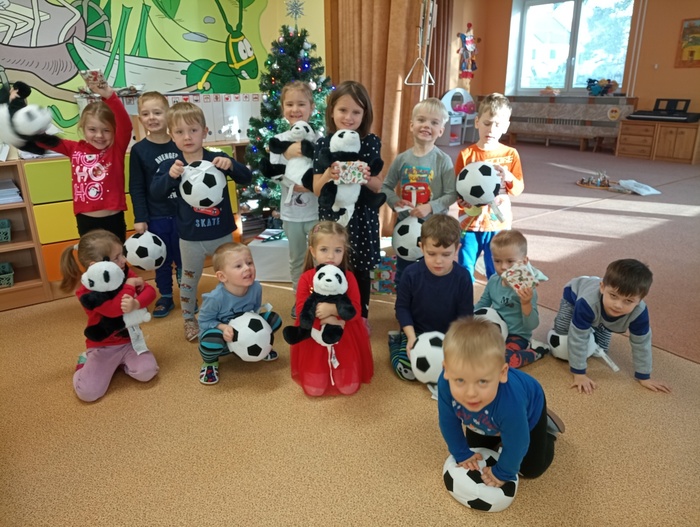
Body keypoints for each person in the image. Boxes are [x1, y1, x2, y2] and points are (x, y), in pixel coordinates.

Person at [150, 102, 252, 341]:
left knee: (233, 275)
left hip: (222, 234)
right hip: (190, 237)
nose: (187, 137)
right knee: (189, 279)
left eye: (193, 130)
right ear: (171, 135)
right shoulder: (171, 165)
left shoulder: (218, 158)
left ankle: (234, 313)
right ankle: (189, 319)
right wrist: (169, 177)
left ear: (205, 132)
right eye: (180, 132)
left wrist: (232, 165)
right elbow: (155, 193)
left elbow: (246, 177)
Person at [438, 318, 563, 489]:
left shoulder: (510, 403)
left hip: (529, 406)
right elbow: (448, 421)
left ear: (502, 373)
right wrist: (461, 453)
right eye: (460, 380)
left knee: (531, 468)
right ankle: (503, 424)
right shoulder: (445, 384)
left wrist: (503, 472)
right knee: (476, 449)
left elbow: (518, 442)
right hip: (488, 417)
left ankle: (546, 431)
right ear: (446, 370)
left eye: (482, 381)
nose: (470, 393)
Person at [312, 80, 384, 328]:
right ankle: (330, 313)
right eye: (343, 110)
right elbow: (316, 189)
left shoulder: (371, 142)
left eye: (356, 112)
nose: (349, 117)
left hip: (362, 217)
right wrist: (328, 174)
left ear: (365, 115)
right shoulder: (324, 144)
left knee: (360, 271)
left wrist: (366, 178)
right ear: (332, 111)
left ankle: (361, 317)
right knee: (331, 265)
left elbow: (378, 185)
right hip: (333, 220)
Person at [59, 229, 159, 402]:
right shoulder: (87, 292)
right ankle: (84, 363)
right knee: (88, 393)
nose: (124, 260)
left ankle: (121, 364)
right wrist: (130, 286)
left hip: (130, 342)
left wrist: (136, 303)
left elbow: (150, 292)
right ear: (95, 266)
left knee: (148, 372)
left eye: (122, 254)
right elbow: (114, 310)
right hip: (103, 347)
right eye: (117, 257)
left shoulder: (124, 272)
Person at [552, 259, 671, 395]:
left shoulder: (640, 313)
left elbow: (642, 343)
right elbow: (578, 337)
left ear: (640, 300)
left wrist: (644, 376)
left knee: (602, 347)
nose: (618, 305)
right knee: (562, 330)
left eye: (628, 301)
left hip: (599, 309)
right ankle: (588, 318)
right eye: (613, 296)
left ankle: (595, 323)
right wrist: (579, 374)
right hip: (574, 294)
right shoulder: (586, 303)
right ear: (602, 287)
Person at [39, 77, 132, 242]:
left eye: (106, 130)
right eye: (92, 129)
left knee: (117, 257)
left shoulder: (115, 149)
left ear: (114, 131)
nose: (99, 135)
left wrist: (109, 96)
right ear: (83, 128)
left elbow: (126, 125)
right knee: (92, 258)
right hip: (86, 221)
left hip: (113, 220)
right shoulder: (74, 148)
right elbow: (42, 140)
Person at [289, 221, 373, 396]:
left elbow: (356, 310)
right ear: (313, 251)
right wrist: (325, 318)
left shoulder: (349, 277)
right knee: (315, 390)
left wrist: (334, 310)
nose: (331, 256)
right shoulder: (306, 278)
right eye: (324, 249)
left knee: (349, 387)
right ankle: (320, 373)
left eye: (338, 250)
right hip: (314, 336)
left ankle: (341, 372)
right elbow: (301, 310)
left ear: (344, 251)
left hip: (345, 335)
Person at [381, 97, 457, 288]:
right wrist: (395, 201)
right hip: (405, 226)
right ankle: (403, 302)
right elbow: (386, 187)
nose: (426, 126)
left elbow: (452, 194)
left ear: (441, 131)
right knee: (404, 272)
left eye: (434, 122)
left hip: (434, 227)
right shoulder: (402, 159)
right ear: (411, 125)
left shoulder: (443, 160)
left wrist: (430, 207)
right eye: (421, 120)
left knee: (432, 272)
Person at [391, 215, 473, 381]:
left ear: (457, 249)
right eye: (432, 253)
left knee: (464, 368)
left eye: (446, 254)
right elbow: (402, 308)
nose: (438, 261)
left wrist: (455, 340)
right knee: (407, 371)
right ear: (421, 248)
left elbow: (465, 314)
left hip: (450, 335)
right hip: (417, 332)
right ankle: (394, 343)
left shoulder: (463, 277)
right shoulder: (410, 274)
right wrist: (411, 337)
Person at [454, 93, 524, 281]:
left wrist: (509, 176)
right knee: (465, 267)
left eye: (498, 125)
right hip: (470, 223)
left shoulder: (510, 154)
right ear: (477, 122)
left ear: (506, 126)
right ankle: (465, 297)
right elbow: (457, 191)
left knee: (496, 269)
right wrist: (462, 201)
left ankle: (496, 298)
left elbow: (518, 189)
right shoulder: (466, 155)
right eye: (487, 123)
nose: (491, 129)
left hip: (498, 224)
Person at [267, 81, 319, 318]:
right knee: (297, 259)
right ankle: (301, 300)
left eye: (301, 104)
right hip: (291, 214)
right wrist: (291, 179)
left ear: (311, 107)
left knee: (321, 258)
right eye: (289, 104)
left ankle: (322, 298)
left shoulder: (319, 138)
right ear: (282, 108)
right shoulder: (278, 140)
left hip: (316, 212)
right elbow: (274, 172)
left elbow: (325, 168)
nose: (295, 109)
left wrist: (312, 184)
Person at [128, 91, 182, 318]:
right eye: (145, 114)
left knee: (183, 258)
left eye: (157, 112)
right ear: (140, 118)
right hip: (156, 216)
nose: (152, 118)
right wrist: (140, 217)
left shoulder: (180, 143)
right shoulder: (139, 150)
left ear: (168, 114)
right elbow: (136, 187)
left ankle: (188, 295)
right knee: (162, 259)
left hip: (182, 214)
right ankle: (166, 296)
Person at [197, 242, 281, 385]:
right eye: (238, 266)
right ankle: (210, 363)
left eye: (249, 263)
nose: (247, 268)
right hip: (225, 340)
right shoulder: (215, 298)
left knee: (274, 319)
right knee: (210, 340)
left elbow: (255, 311)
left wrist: (259, 335)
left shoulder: (256, 287)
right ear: (222, 276)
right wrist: (223, 328)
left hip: (245, 335)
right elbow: (203, 322)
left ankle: (263, 346)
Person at [475, 230, 547, 368]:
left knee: (502, 361)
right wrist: (465, 317)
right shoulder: (493, 281)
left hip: (517, 336)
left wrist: (526, 303)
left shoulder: (527, 289)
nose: (503, 267)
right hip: (495, 331)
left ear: (524, 261)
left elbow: (532, 325)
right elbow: (482, 305)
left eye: (510, 261)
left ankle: (536, 351)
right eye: (497, 261)